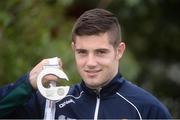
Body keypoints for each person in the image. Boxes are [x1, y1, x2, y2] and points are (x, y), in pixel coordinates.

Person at [0, 8, 172, 119]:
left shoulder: (147, 109)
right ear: (73, 49)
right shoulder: (52, 103)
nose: (90, 63)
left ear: (119, 51)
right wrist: (28, 83)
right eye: (82, 52)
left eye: (100, 52)